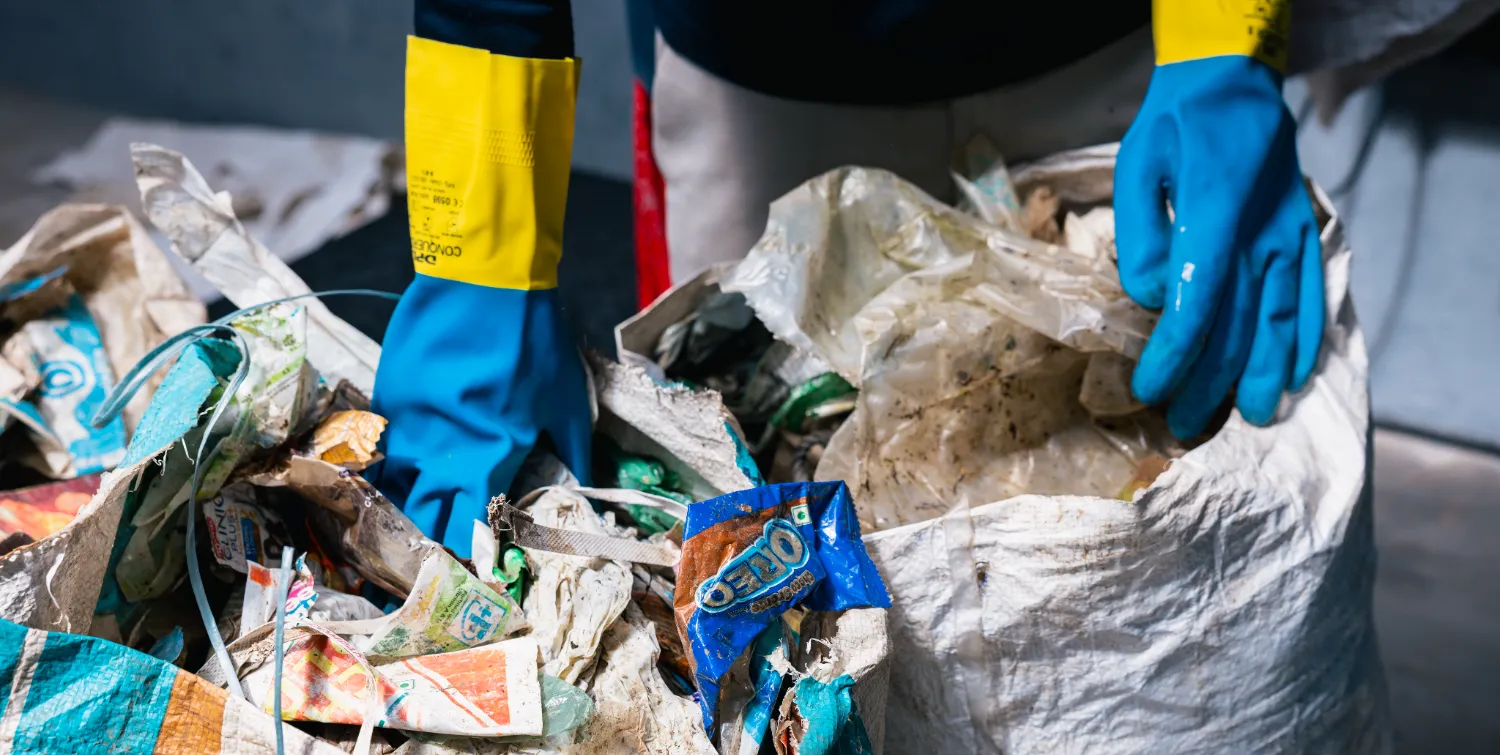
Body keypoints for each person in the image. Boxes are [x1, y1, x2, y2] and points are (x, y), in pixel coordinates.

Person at [373, 0, 1325, 553]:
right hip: (761, 97)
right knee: (775, 575)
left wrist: (1225, 39)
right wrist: (480, 259)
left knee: (1200, 526)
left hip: (1108, 61)